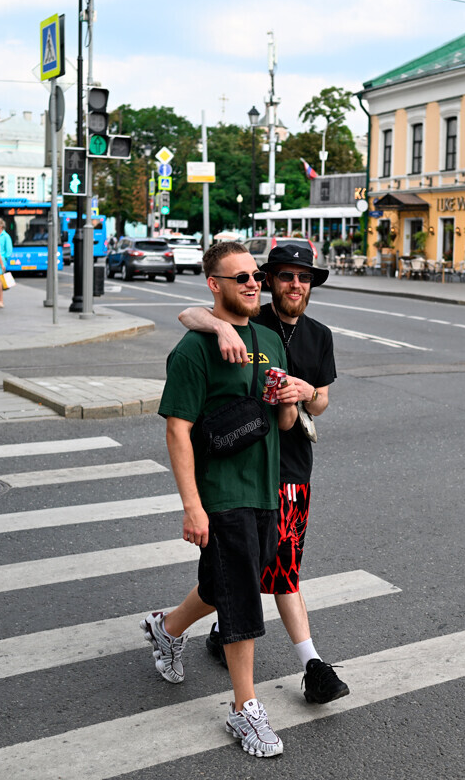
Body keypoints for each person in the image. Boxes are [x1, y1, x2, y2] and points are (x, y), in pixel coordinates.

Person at [145, 241, 302, 760]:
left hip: (264, 488)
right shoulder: (194, 349)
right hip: (222, 493)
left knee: (223, 582)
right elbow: (177, 430)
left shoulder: (269, 340)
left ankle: (166, 629)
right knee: (240, 597)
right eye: (240, 278)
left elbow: (280, 425)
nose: (253, 283)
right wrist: (192, 505)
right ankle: (246, 709)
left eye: (255, 275)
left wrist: (289, 401)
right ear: (215, 284)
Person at [178, 244, 348, 706]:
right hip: (244, 471)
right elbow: (191, 313)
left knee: (262, 572)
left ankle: (186, 627)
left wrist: (304, 391)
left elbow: (322, 403)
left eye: (305, 278)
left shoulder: (319, 335)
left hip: (291, 468)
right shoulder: (253, 315)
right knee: (246, 575)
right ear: (269, 279)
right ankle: (306, 665)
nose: (296, 285)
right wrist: (217, 325)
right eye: (286, 276)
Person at [0, 217, 13, 308]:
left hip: (0, 260)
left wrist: (4, 259)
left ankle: (1, 300)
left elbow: (9, 251)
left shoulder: (5, 236)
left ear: (1, 226)